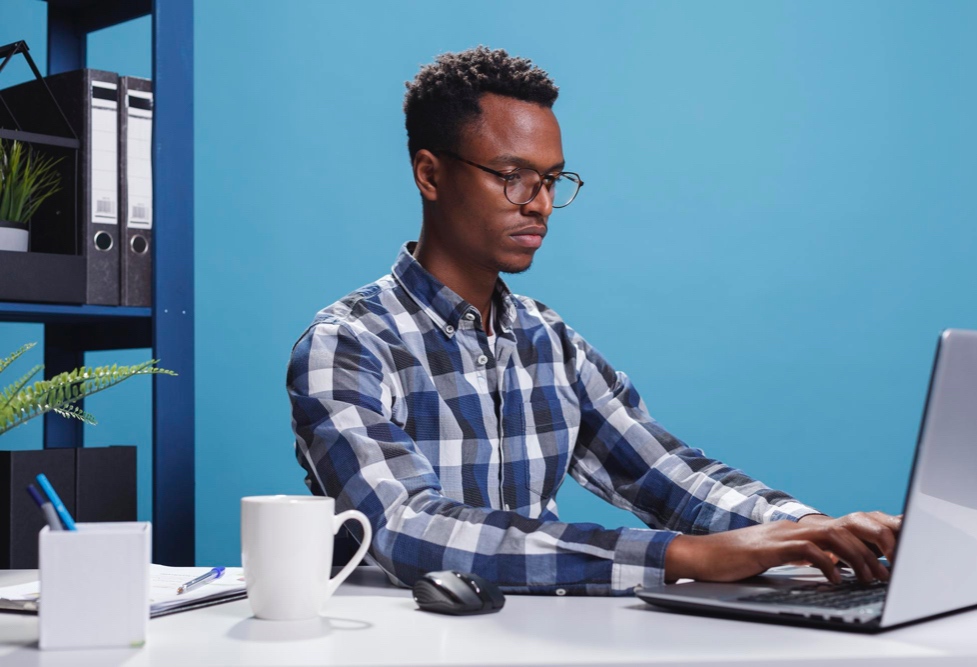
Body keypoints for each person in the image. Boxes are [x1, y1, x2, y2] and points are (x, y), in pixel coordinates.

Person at [287, 46, 901, 595]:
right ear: (429, 174)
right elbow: (404, 526)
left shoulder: (548, 340)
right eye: (511, 176)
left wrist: (809, 529)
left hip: (544, 639)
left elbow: (664, 472)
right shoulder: (347, 345)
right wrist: (686, 556)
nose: (541, 204)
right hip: (397, 646)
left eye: (552, 180)